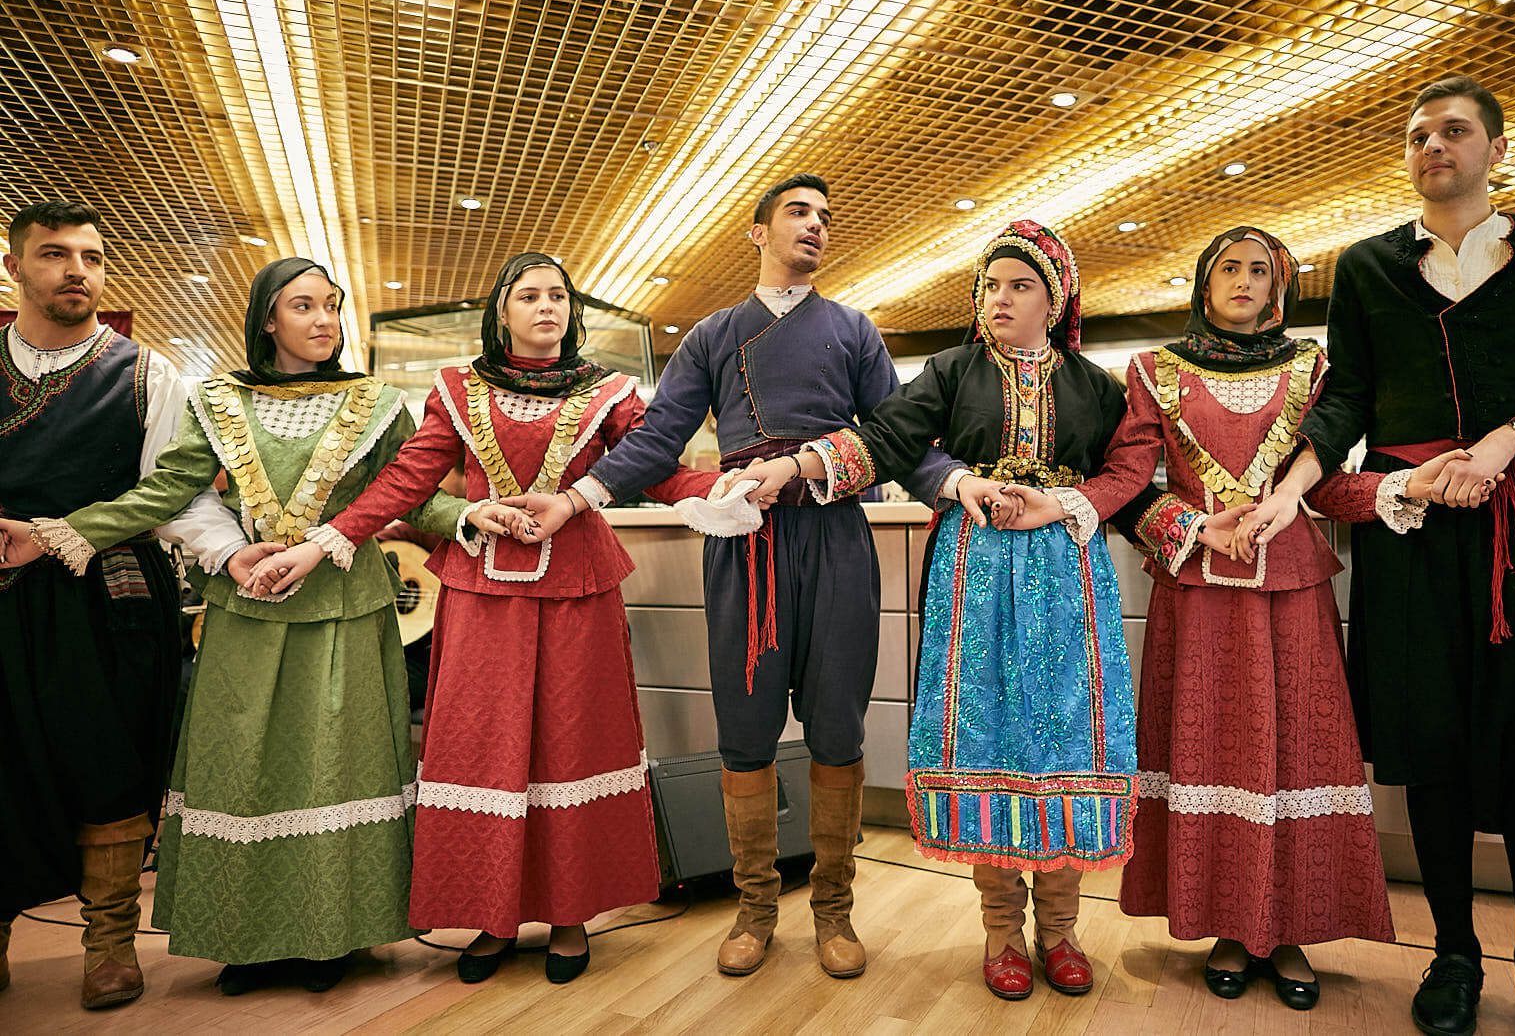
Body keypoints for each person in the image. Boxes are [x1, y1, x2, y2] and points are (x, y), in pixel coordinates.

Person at [21, 258, 519, 995]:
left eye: (332, 306)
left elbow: (409, 496)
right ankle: (247, 939)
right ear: (267, 319)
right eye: (303, 305)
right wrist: (59, 534)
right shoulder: (218, 399)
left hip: (345, 607)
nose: (324, 320)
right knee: (242, 767)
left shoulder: (378, 402)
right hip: (246, 603)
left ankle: (330, 937)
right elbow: (168, 489)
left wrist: (471, 513)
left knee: (335, 767)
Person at [517, 174, 963, 980]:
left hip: (836, 538)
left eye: (825, 216)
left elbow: (898, 438)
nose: (816, 224)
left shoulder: (854, 330)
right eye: (798, 212)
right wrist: (577, 498)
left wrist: (961, 485)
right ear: (756, 233)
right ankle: (756, 909)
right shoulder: (712, 335)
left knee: (839, 730)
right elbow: (657, 441)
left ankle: (834, 909)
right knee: (745, 733)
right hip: (744, 546)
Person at [1035, 226, 1470, 1009]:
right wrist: (1188, 525)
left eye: (1260, 270)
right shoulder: (1154, 371)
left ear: (1280, 288)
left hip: (1292, 597)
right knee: (1209, 757)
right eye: (1228, 267)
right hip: (1197, 596)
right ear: (1204, 283)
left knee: (1294, 756)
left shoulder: (1314, 370)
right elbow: (1129, 482)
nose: (1244, 280)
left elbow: (1323, 486)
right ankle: (1231, 928)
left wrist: (1402, 488)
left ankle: (1287, 928)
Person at [258, 252, 718, 985]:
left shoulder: (609, 391)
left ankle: (569, 915)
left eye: (558, 296)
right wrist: (327, 541)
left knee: (572, 745)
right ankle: (490, 914)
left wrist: (731, 486)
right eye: (529, 295)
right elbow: (408, 481)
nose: (547, 307)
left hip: (578, 592)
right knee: (481, 749)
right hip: (479, 594)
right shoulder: (456, 389)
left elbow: (656, 468)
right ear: (501, 312)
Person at [732, 219, 1160, 1001]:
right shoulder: (953, 370)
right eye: (990, 285)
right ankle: (1002, 930)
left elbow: (1130, 477)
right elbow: (886, 436)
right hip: (975, 575)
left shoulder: (1098, 387)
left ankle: (1060, 930)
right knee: (984, 735)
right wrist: (799, 465)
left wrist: (1156, 521)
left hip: (1067, 579)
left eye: (1020, 285)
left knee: (1068, 739)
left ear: (1056, 298)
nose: (1000, 298)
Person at [1263, 76, 1515, 1036]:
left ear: (1497, 148)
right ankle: (1453, 955)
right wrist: (1292, 483)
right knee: (1432, 747)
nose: (1433, 147)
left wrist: (1510, 438)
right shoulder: (1368, 266)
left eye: (1454, 131)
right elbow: (1348, 396)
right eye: (1418, 136)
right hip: (1412, 530)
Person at [0, 201, 257, 1010]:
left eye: (92, 256)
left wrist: (229, 552)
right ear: (14, 267)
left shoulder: (149, 373)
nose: (76, 269)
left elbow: (171, 495)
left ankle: (109, 942)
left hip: (112, 597)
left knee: (109, 764)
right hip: (1, 592)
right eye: (54, 253)